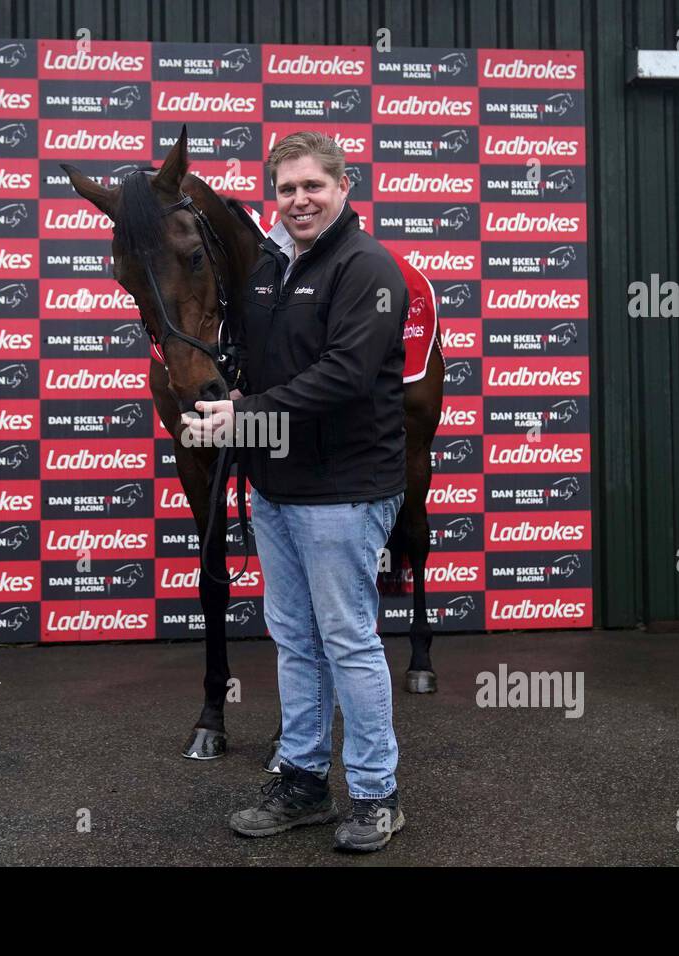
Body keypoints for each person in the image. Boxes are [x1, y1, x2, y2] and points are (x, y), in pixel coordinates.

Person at [181, 131, 408, 852]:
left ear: (343, 187)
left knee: (347, 641)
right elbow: (261, 364)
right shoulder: (271, 267)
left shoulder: (366, 265)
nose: (300, 200)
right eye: (286, 189)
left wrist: (244, 415)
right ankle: (305, 783)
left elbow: (345, 373)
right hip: (275, 487)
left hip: (345, 489)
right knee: (295, 641)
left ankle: (376, 795)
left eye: (313, 185)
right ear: (272, 195)